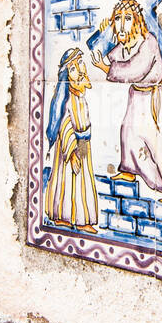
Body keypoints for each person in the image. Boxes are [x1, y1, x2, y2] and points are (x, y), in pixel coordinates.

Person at [89, 0, 162, 204]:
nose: (121, 23)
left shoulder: (148, 42)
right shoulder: (126, 42)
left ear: (136, 20)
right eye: (118, 18)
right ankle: (129, 169)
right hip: (137, 95)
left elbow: (135, 69)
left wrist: (104, 68)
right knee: (129, 133)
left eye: (126, 18)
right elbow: (114, 57)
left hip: (156, 98)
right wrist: (108, 36)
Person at [44, 48, 99, 233]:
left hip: (83, 144)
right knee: (66, 181)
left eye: (81, 63)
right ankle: (63, 216)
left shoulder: (80, 96)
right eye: (73, 68)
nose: (80, 69)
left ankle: (84, 219)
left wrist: (84, 141)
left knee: (83, 181)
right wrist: (72, 150)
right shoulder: (66, 99)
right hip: (69, 147)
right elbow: (64, 124)